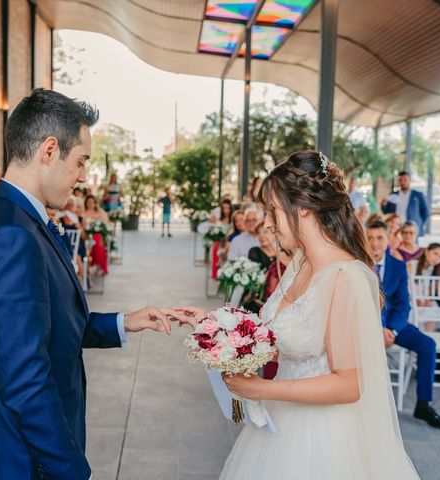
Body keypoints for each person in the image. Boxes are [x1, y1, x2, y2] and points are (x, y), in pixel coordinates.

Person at [0, 89, 184, 479]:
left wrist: (124, 321)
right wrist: (73, 469)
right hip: (16, 456)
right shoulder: (13, 234)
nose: (82, 177)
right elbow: (26, 378)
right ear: (49, 150)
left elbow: (42, 324)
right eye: (80, 162)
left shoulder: (16, 219)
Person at [177, 150, 419, 479]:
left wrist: (262, 390)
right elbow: (269, 334)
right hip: (279, 424)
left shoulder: (346, 276)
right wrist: (212, 325)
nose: (268, 223)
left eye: (273, 211)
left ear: (303, 207)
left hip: (324, 440)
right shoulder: (299, 264)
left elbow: (349, 385)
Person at [366, 220, 440, 429]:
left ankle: (423, 404)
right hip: (364, 326)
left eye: (379, 238)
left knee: (428, 345)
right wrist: (377, 329)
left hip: (394, 325)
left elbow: (403, 304)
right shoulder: (358, 264)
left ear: (388, 240)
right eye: (370, 238)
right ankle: (366, 406)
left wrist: (391, 330)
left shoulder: (398, 266)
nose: (375, 243)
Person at [411, 243, 440, 332]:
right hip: (411, 300)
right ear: (426, 251)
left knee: (433, 308)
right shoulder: (412, 265)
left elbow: (429, 292)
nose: (437, 259)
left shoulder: (435, 270)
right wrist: (416, 299)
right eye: (435, 254)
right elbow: (407, 286)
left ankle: (428, 336)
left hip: (425, 302)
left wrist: (427, 300)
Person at [381, 171, 430, 236]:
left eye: (405, 180)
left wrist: (419, 224)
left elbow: (426, 212)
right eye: (400, 180)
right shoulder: (393, 195)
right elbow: (386, 211)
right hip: (396, 227)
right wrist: (383, 204)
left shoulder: (418, 195)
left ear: (409, 180)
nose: (403, 182)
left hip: (411, 228)